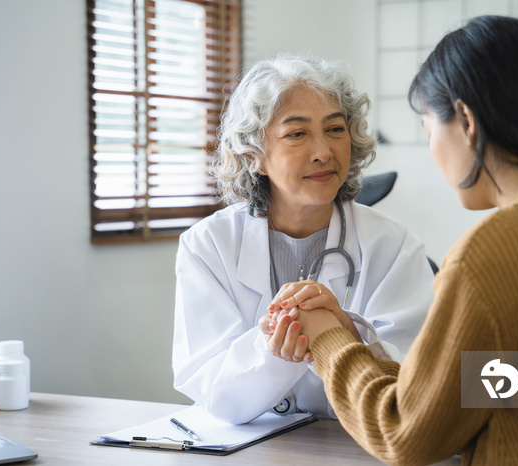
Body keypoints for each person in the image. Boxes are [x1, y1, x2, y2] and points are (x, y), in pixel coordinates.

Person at [270, 16, 518, 465]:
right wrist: (354, 339)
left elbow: (404, 433)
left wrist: (329, 341)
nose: (432, 147)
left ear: (466, 121)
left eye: (429, 128)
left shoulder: (494, 252)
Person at [171, 55, 434, 425]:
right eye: (297, 134)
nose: (324, 152)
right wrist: (273, 345)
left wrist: (347, 333)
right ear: (254, 155)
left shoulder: (393, 246)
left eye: (335, 129)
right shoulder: (208, 245)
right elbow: (212, 389)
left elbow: (420, 379)